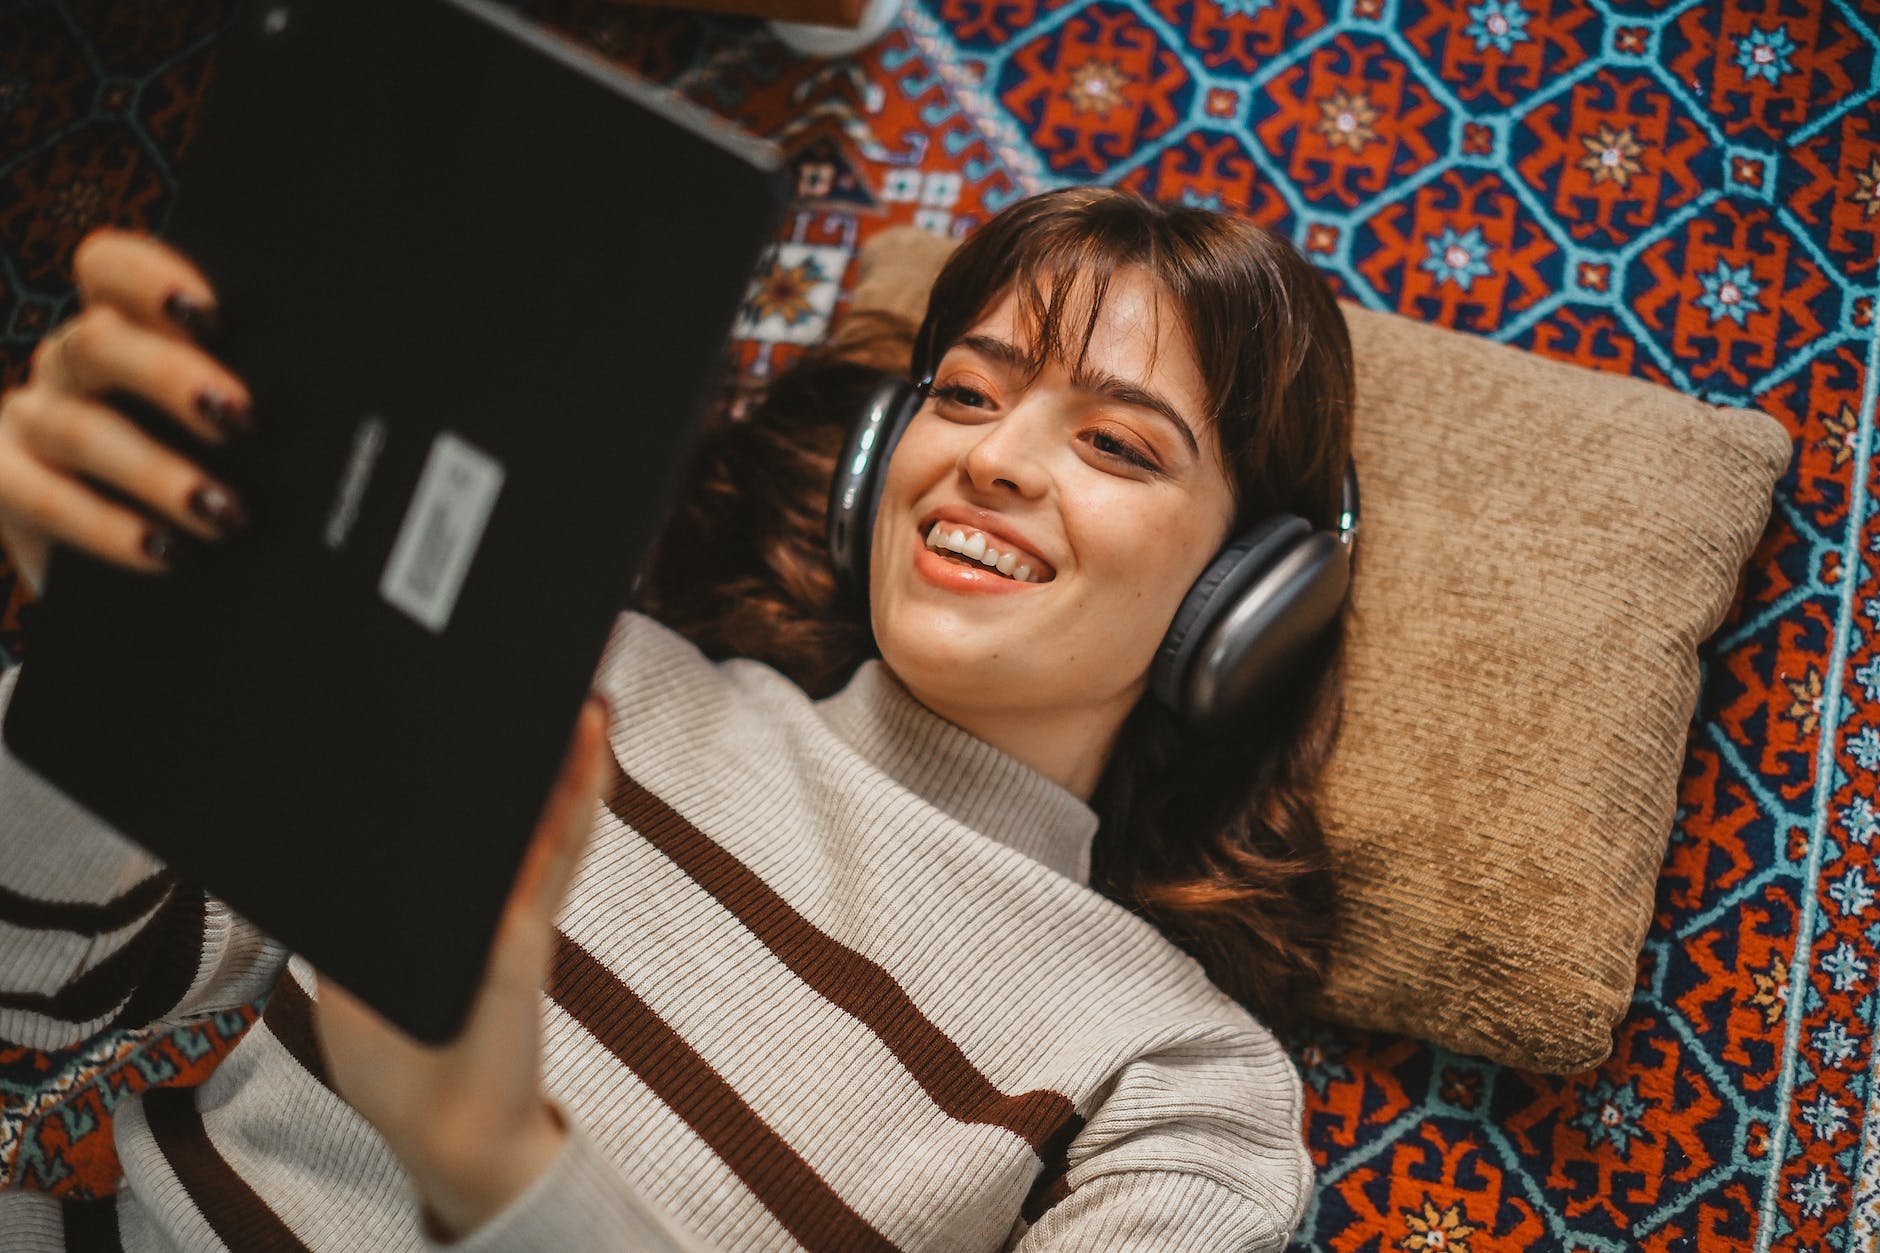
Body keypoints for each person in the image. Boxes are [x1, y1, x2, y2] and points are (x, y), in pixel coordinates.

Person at [0, 186, 1355, 1250]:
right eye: (964, 393)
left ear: (1252, 591)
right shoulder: (564, 666)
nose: (991, 460)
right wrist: (108, 664)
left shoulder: (1177, 1079)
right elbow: (50, 994)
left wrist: (500, 1169)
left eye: (1116, 444)